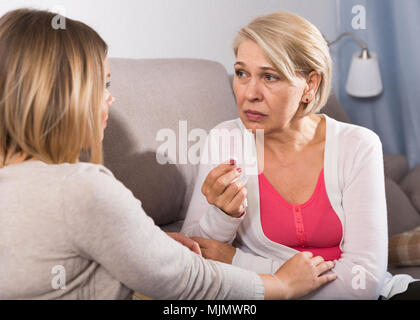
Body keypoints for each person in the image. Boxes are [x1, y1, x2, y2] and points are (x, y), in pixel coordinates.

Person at [0, 8, 337, 300]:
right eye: (103, 85)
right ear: (64, 94)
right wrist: (280, 284)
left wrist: (147, 240)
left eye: (270, 76)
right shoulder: (82, 188)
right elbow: (186, 280)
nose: (110, 100)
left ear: (310, 85)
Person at [181, 11, 419, 300]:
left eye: (270, 77)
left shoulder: (358, 145)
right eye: (242, 73)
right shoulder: (225, 139)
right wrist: (222, 215)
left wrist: (243, 264)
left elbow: (362, 285)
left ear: (311, 85)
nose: (250, 93)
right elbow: (195, 259)